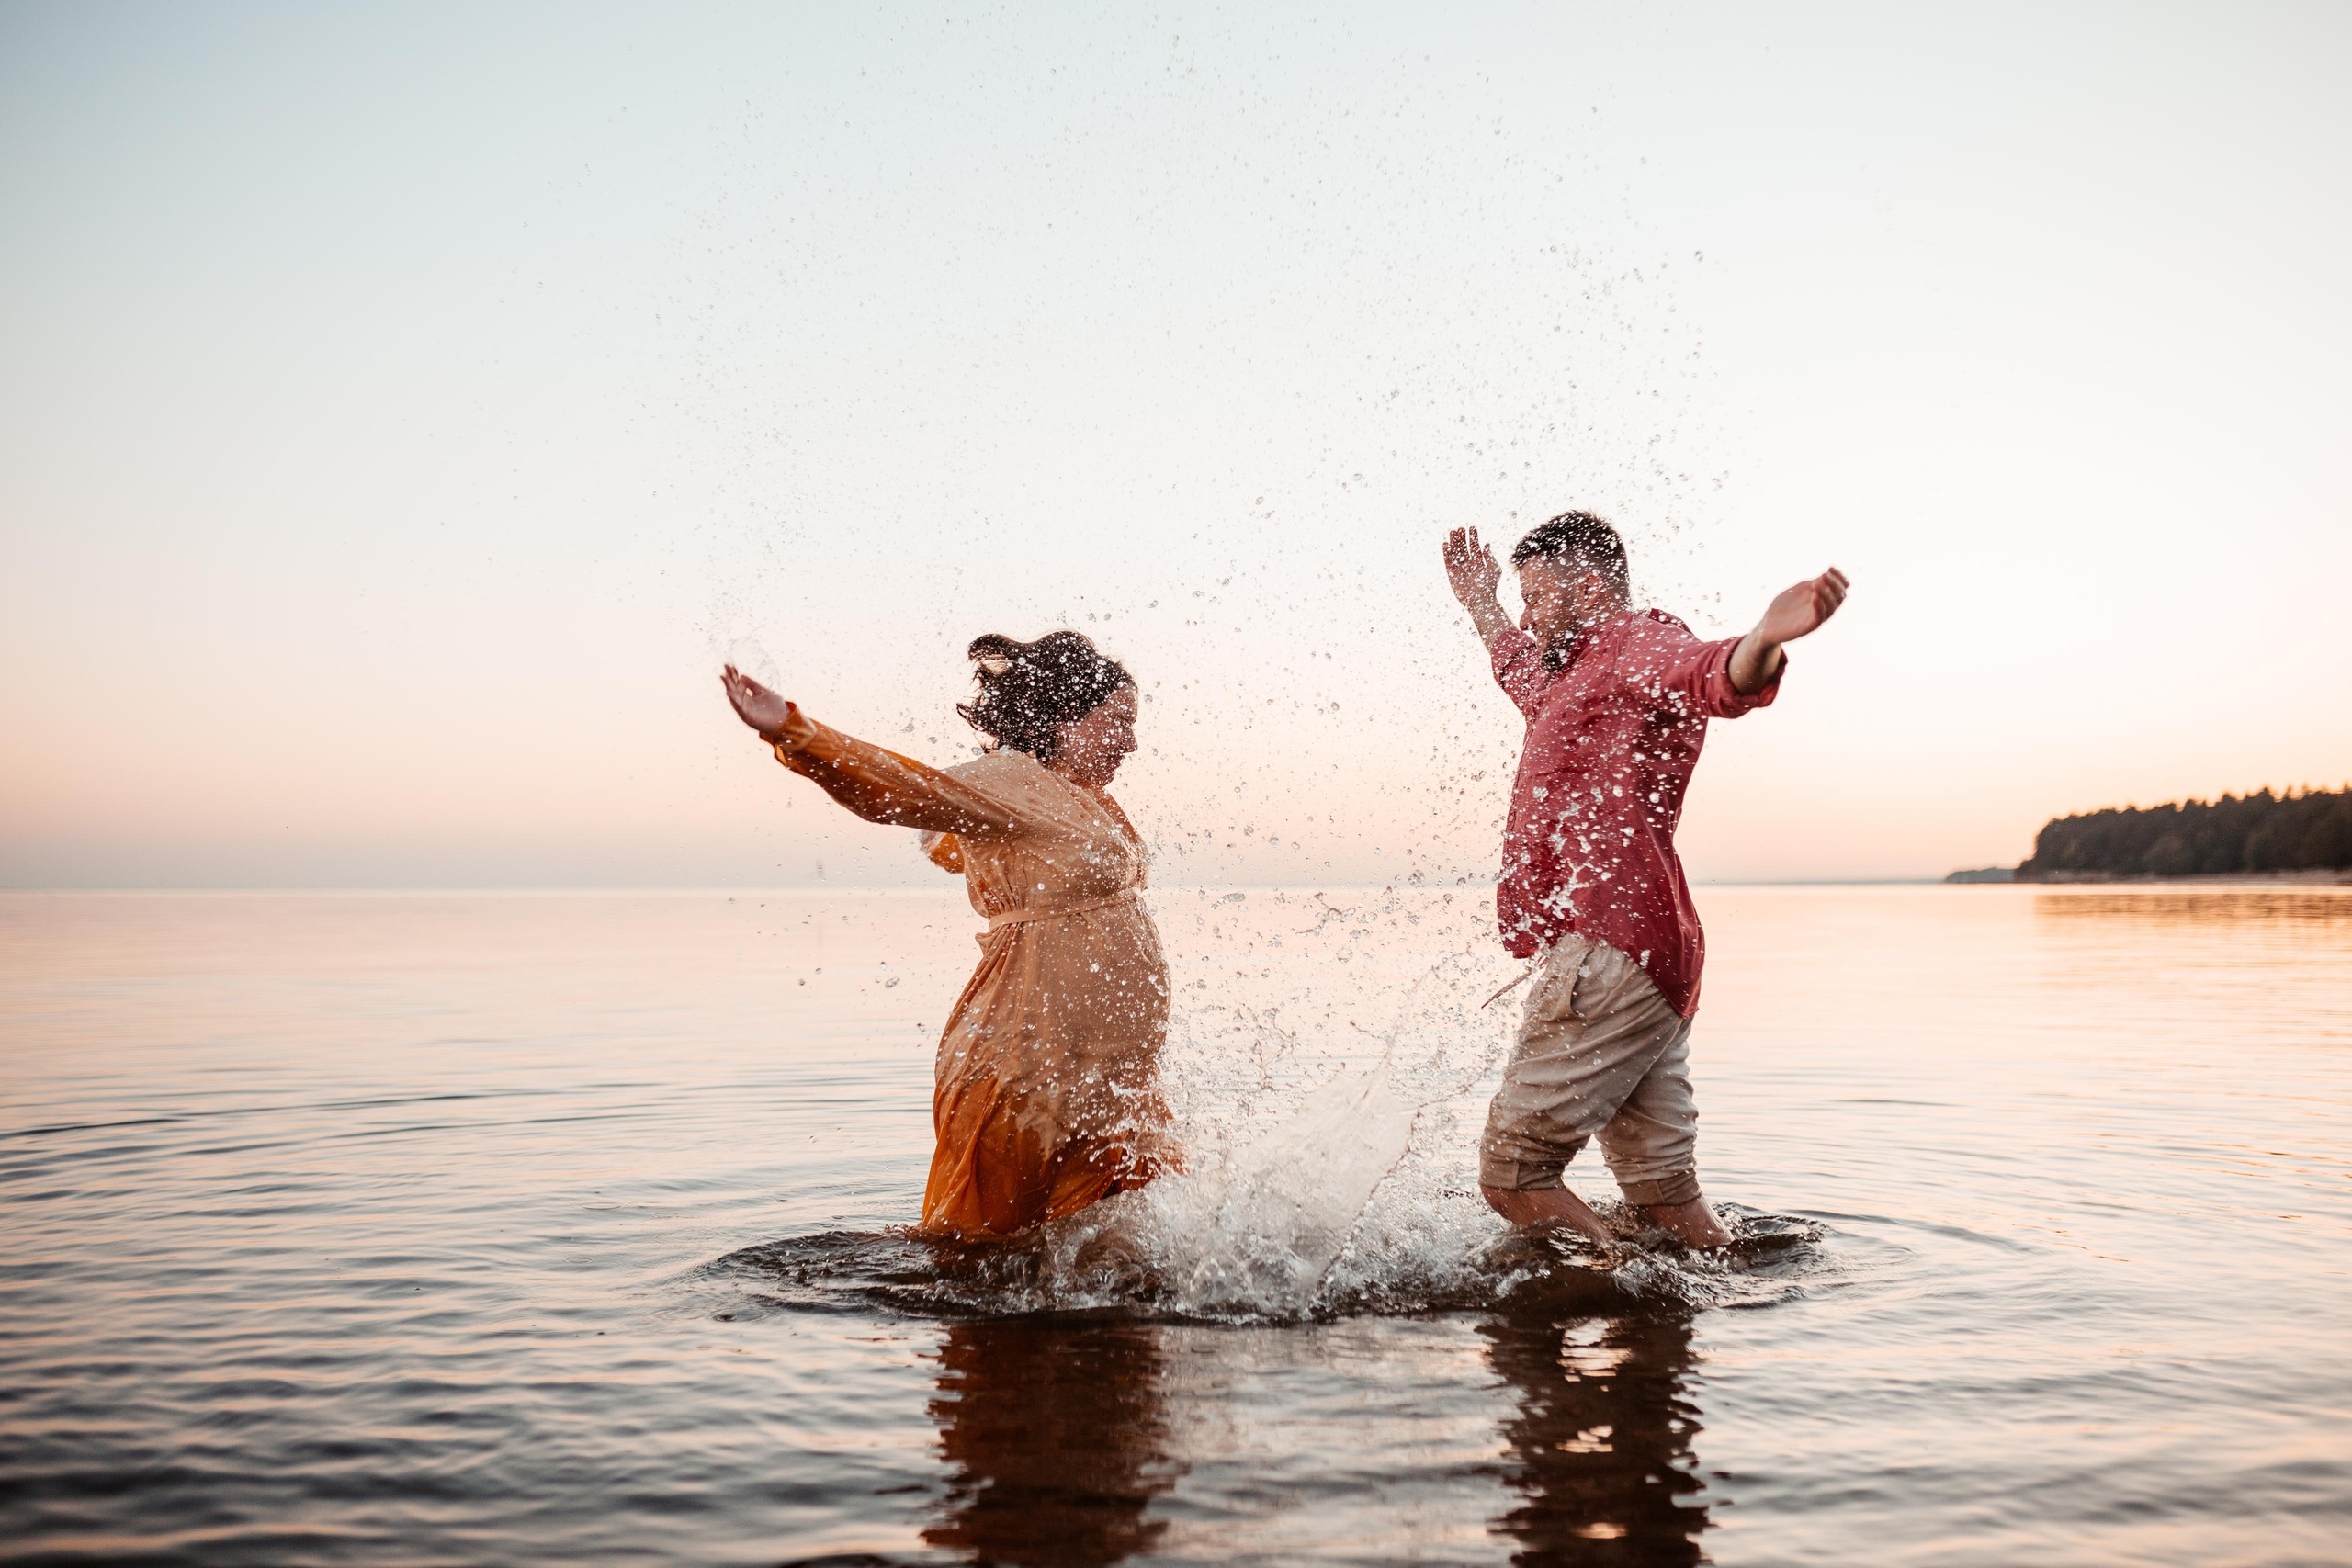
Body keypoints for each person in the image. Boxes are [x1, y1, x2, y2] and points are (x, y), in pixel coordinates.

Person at [1442, 512, 1849, 1249]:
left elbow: (1712, 676)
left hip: (1610, 953)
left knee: (1513, 1174)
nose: (1527, 618)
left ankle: (1612, 1278)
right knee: (1667, 1202)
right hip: (1653, 957)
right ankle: (1688, 1316)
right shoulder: (1567, 678)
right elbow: (1516, 667)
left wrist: (1761, 642)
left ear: (1589, 585)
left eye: (1536, 597)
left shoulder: (1635, 641)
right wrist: (1482, 603)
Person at [718, 630, 1175, 1240]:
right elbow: (905, 791)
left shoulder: (1087, 799)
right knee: (972, 1254)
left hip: (1110, 1084)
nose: (1133, 742)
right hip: (1027, 1072)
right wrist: (795, 730)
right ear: (1066, 717)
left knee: (1112, 1250)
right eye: (1117, 721)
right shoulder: (1013, 779)